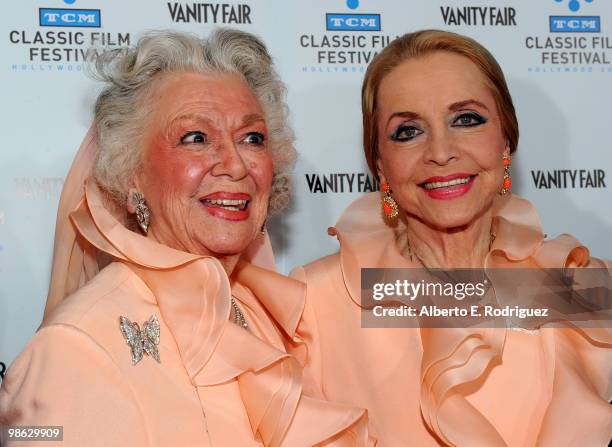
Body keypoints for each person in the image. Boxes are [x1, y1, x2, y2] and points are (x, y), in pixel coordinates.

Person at [0, 29, 370, 446]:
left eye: (252, 138)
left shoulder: (273, 315)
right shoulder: (76, 349)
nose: (234, 164)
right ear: (131, 176)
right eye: (195, 138)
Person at [288, 30, 612, 446]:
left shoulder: (578, 283)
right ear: (380, 166)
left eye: (466, 119)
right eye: (408, 131)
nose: (441, 151)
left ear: (506, 141)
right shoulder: (315, 302)